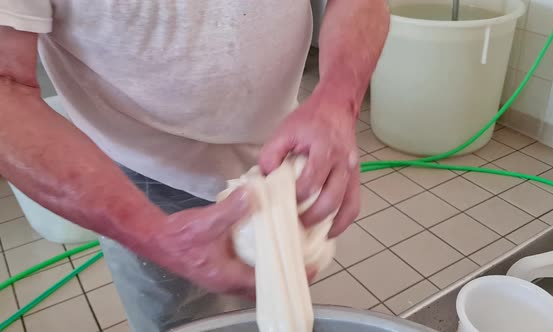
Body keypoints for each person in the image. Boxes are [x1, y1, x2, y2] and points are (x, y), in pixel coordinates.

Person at [0, 1, 390, 331]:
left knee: (284, 292)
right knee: (177, 318)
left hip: (282, 155)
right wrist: (145, 231)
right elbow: (7, 88)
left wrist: (340, 98)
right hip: (138, 180)